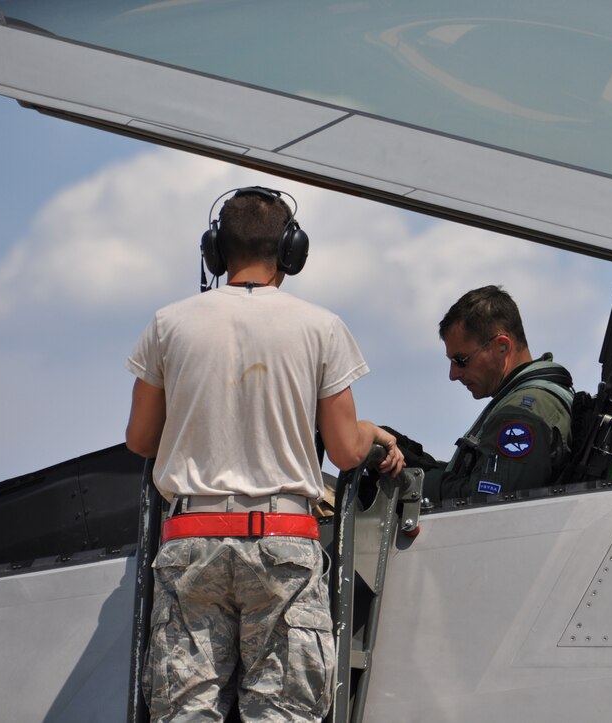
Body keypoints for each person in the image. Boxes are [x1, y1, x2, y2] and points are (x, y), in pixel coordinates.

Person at [124, 186, 403, 722]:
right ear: (291, 252)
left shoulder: (167, 324)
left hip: (190, 542)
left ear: (215, 250)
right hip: (283, 543)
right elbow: (345, 451)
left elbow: (139, 439)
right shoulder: (322, 327)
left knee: (185, 712)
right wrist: (372, 433)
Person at [422, 285, 575, 504]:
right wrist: (418, 464)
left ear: (502, 346)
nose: (453, 374)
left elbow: (488, 503)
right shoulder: (531, 400)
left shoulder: (522, 413)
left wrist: (413, 485)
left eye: (461, 360)